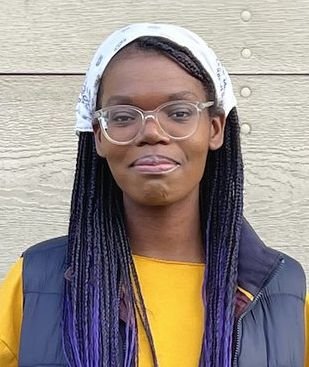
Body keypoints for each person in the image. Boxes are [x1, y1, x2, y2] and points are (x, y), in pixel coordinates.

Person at [0, 23, 308, 367]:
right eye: (122, 116)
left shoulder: (284, 291)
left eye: (178, 113)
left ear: (215, 128)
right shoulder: (36, 279)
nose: (151, 132)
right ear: (98, 135)